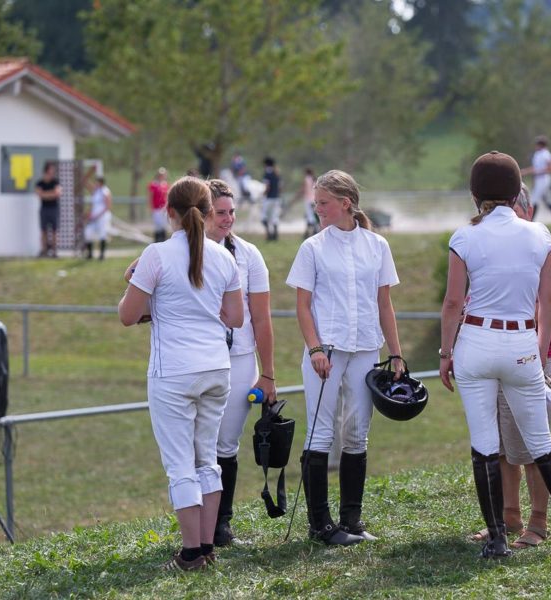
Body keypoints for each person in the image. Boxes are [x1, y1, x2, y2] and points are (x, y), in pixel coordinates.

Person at [439, 151, 551, 558]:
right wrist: (539, 350)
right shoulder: (540, 235)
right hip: (522, 345)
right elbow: (550, 300)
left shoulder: (464, 237)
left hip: (476, 343)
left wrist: (445, 353)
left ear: (475, 194)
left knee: (485, 446)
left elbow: (453, 303)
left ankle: (498, 539)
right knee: (542, 444)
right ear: (516, 194)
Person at [118, 176, 243, 571]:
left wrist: (136, 283)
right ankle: (206, 546)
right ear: (207, 213)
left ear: (168, 211)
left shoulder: (155, 255)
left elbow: (128, 315)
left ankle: (190, 554)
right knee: (208, 460)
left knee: (180, 465)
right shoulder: (224, 257)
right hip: (216, 366)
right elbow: (235, 317)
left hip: (173, 370)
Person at [286, 169, 405, 546]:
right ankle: (320, 524)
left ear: (345, 203)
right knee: (321, 431)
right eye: (316, 203)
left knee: (357, 432)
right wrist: (315, 348)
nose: (317, 209)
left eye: (323, 203)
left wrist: (396, 353)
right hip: (326, 353)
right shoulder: (312, 248)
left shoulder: (377, 245)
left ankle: (351, 520)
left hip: (366, 350)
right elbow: (302, 306)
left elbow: (384, 304)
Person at [468, 183, 551, 550]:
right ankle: (509, 515)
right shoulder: (485, 247)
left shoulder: (541, 247)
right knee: (498, 446)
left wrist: (510, 317)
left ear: (523, 209)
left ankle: (538, 523)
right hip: (490, 358)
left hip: (529, 360)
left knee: (533, 447)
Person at [203, 179, 277, 547]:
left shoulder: (248, 254)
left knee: (226, 444)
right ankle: (196, 526)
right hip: (199, 357)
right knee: (198, 446)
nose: (228, 218)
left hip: (240, 359)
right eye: (220, 212)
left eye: (231, 212)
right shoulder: (184, 251)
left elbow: (261, 318)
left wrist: (268, 374)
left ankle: (221, 525)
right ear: (202, 214)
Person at [520, 136, 551, 222]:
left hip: (544, 179)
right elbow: (535, 168)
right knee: (547, 200)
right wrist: (525, 171)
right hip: (538, 179)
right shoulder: (537, 154)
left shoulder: (546, 154)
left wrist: (538, 172)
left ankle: (530, 220)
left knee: (533, 200)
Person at [35, 162, 61, 258]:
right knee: (43, 231)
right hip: (44, 209)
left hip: (54, 208)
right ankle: (44, 251)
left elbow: (57, 194)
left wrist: (45, 194)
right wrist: (51, 194)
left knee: (55, 231)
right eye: (51, 170)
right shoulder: (40, 183)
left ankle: (54, 252)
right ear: (46, 171)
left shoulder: (56, 182)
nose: (53, 172)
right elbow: (39, 194)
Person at [84, 176, 112, 260]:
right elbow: (93, 205)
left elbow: (107, 206)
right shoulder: (96, 192)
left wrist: (98, 215)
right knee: (88, 233)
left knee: (102, 235)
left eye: (97, 182)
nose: (95, 184)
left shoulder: (105, 191)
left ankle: (102, 255)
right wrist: (89, 213)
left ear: (101, 183)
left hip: (102, 217)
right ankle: (90, 254)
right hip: (94, 217)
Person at [261, 157, 282, 241]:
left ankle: (269, 234)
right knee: (274, 217)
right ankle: (275, 235)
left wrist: (262, 194)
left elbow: (267, 187)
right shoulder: (277, 173)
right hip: (276, 198)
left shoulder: (267, 173)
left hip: (269, 198)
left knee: (264, 217)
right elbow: (280, 188)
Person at [148, 168, 169, 243]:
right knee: (158, 226)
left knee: (164, 225)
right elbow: (150, 196)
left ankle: (163, 240)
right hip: (156, 208)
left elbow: (167, 196)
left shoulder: (165, 184)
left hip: (164, 208)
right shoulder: (154, 184)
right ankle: (157, 240)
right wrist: (150, 207)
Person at [301, 167, 320, 238]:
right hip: (314, 200)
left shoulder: (306, 179)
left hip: (308, 200)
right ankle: (312, 231)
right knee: (313, 215)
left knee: (310, 216)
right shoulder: (315, 180)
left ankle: (312, 231)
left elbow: (303, 189)